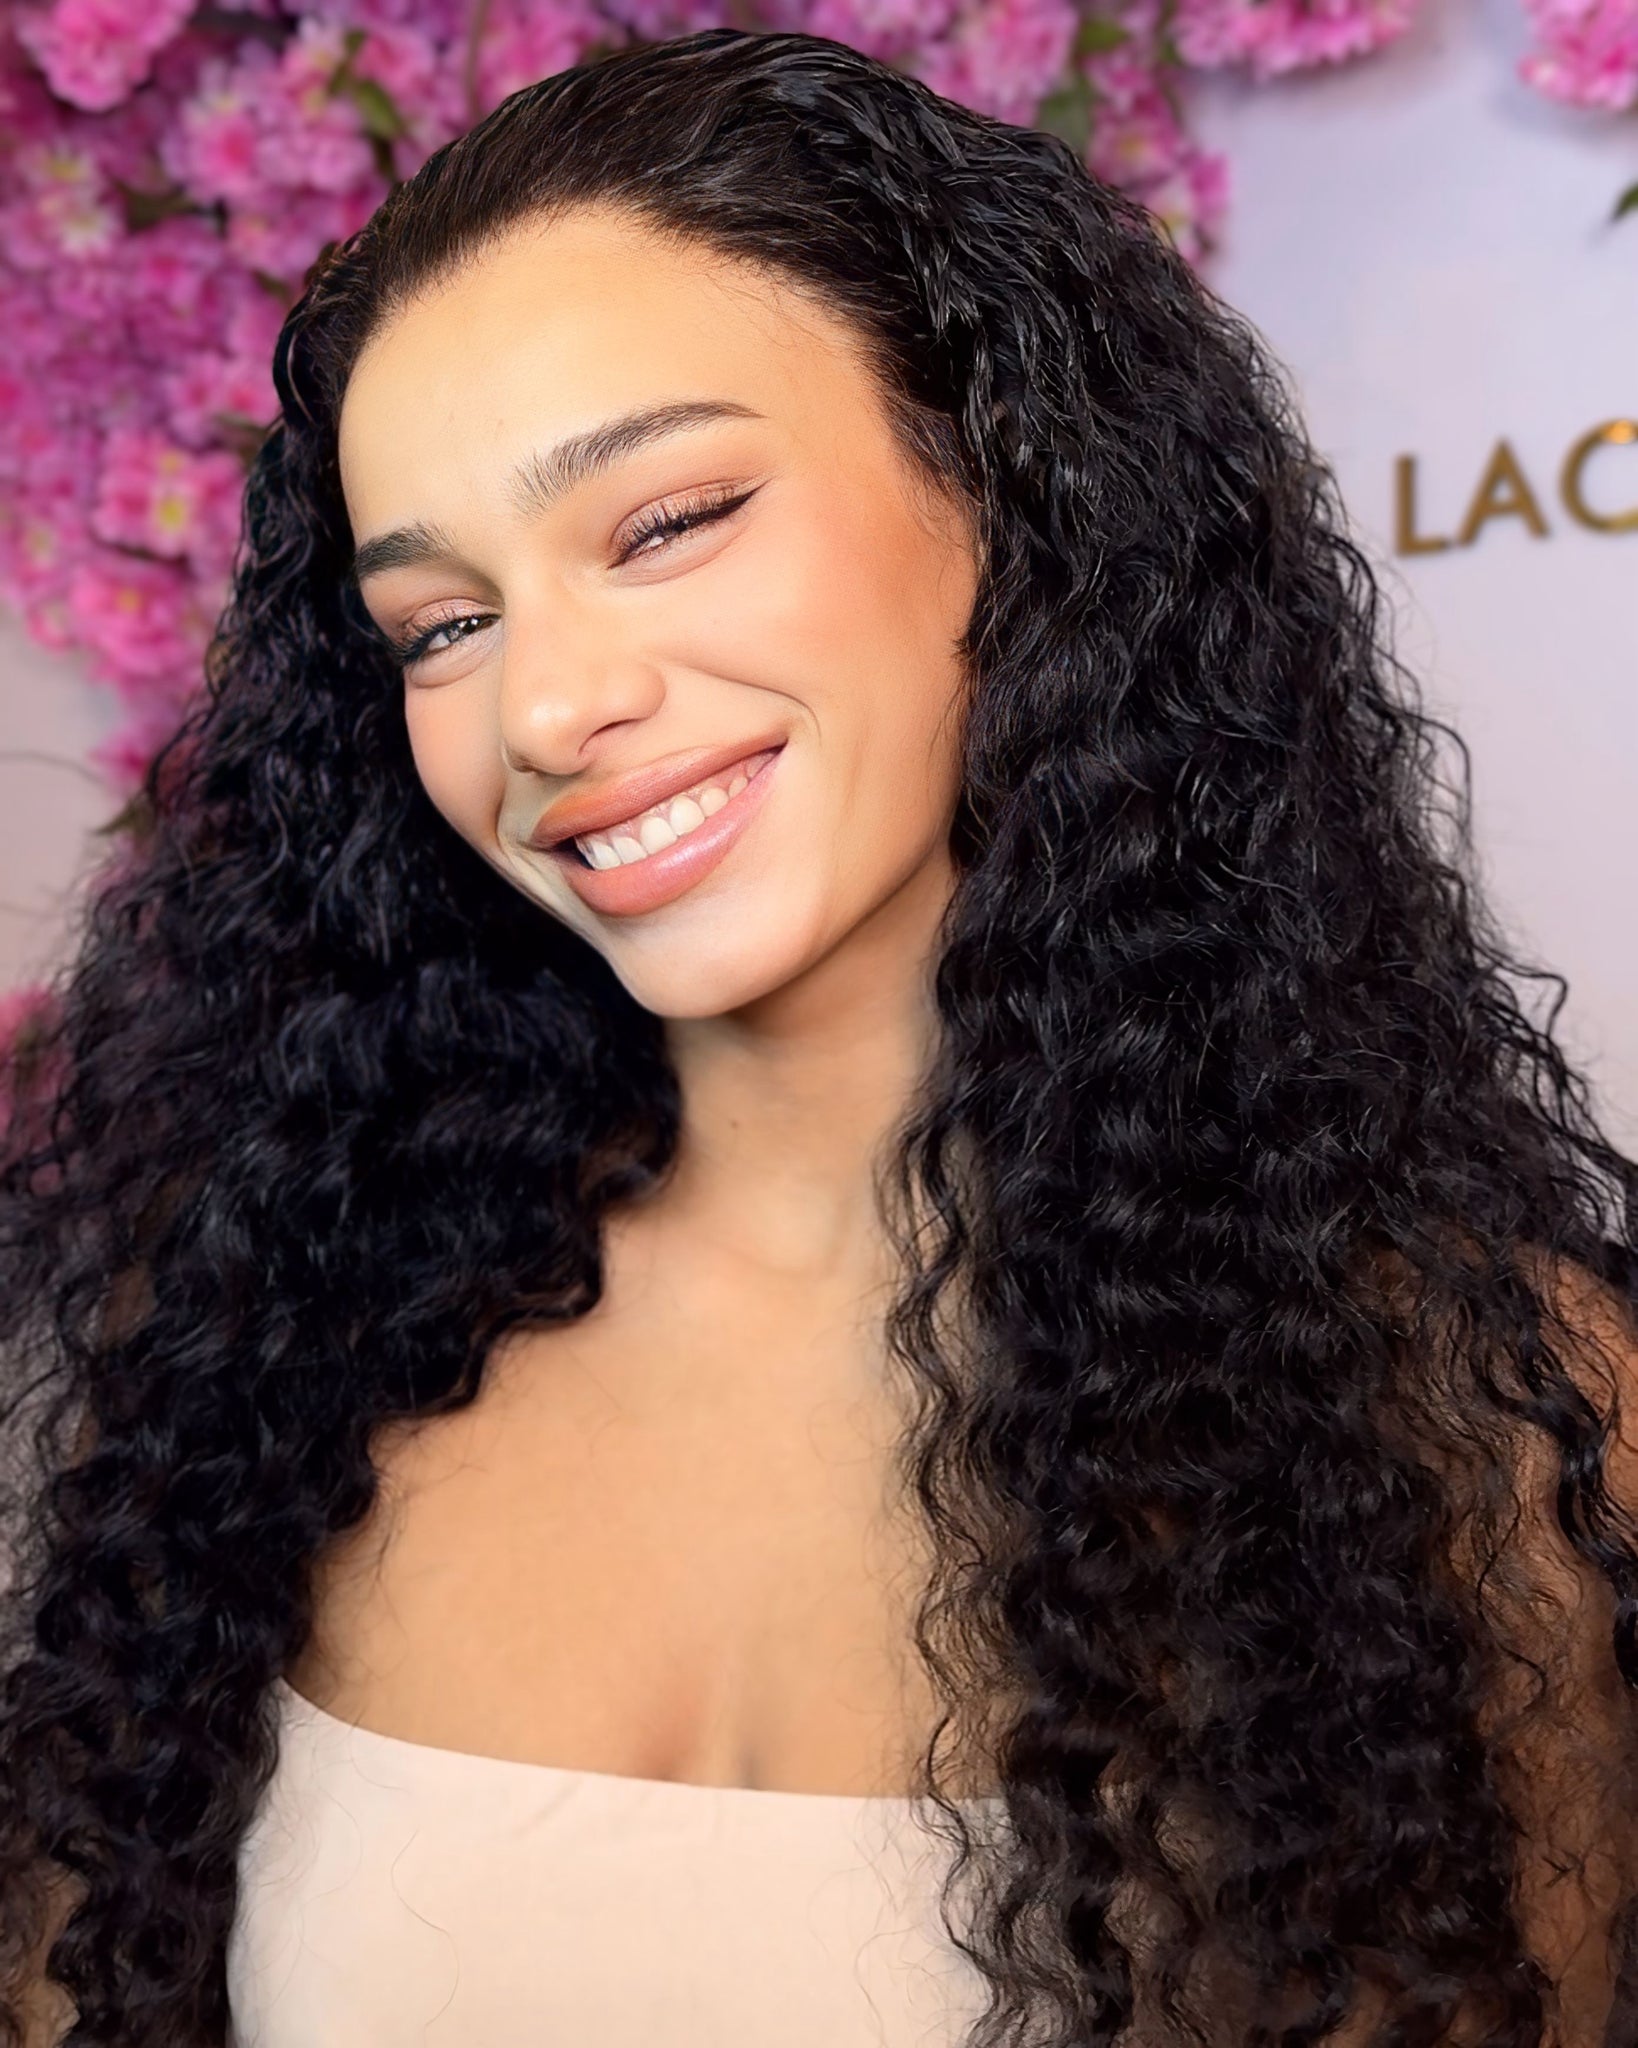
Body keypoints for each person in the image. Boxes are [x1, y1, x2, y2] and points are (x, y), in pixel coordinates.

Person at [2, 23, 1637, 2048]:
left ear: (1011, 488)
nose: (545, 708)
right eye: (444, 624)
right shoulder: (269, 1349)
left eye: (667, 518)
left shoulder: (1484, 1422)